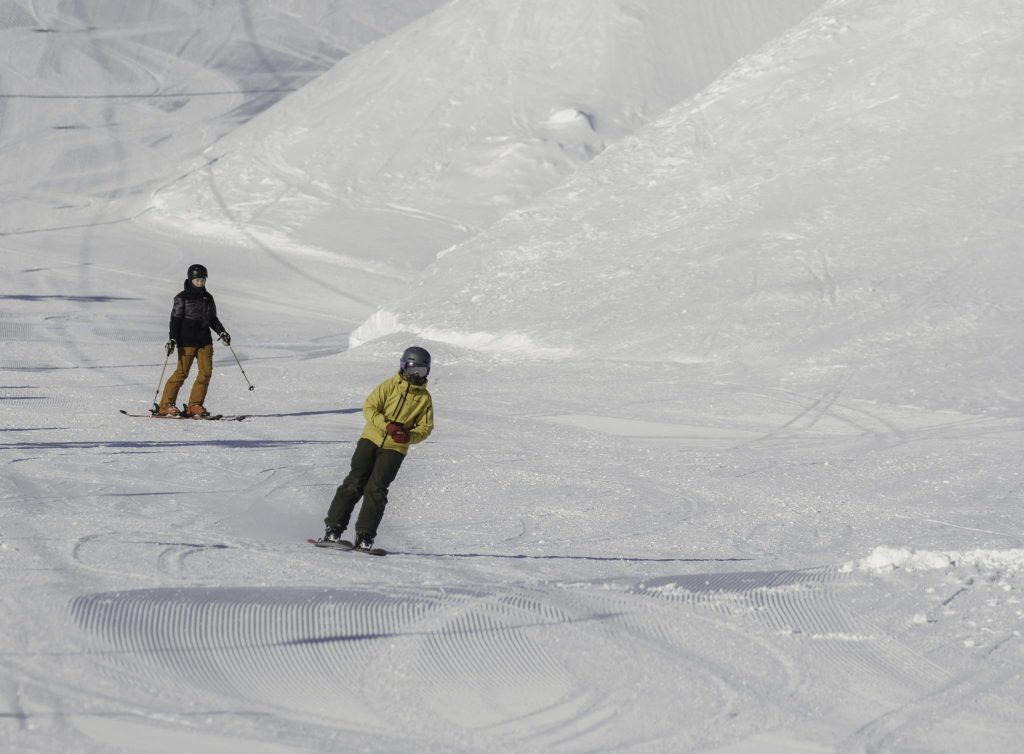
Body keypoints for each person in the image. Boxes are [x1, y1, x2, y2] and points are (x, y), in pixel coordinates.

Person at [322, 346, 434, 550]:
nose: (415, 375)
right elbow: (369, 408)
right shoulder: (389, 386)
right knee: (355, 482)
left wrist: (408, 436)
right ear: (403, 367)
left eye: (421, 371)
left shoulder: (424, 399)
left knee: (377, 489)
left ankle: (365, 535)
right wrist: (387, 425)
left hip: (395, 449)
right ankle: (333, 529)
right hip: (370, 439)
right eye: (412, 369)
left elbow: (426, 427)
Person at [157, 263, 230, 417]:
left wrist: (222, 332)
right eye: (197, 280)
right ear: (190, 279)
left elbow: (213, 319)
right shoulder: (181, 298)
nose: (200, 283)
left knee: (206, 372)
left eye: (203, 280)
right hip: (186, 341)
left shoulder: (208, 298)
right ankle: (165, 405)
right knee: (181, 373)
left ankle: (195, 405)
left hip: (205, 341)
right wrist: (172, 339)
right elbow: (175, 321)